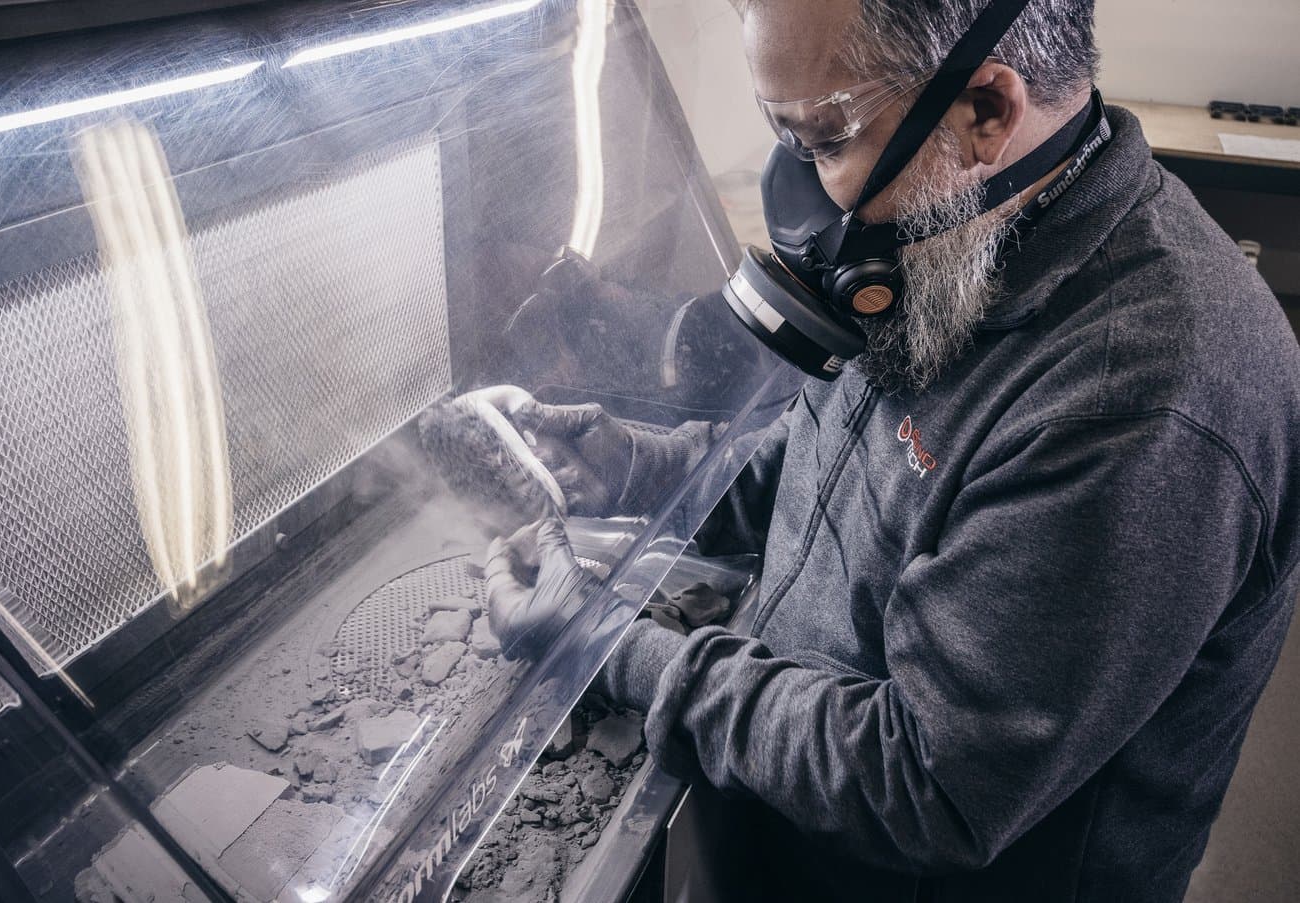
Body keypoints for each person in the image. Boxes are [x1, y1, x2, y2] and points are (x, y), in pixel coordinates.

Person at [484, 0, 1300, 899]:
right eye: (782, 135)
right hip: (804, 822)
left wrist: (605, 643)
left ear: (986, 111)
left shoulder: (1136, 400)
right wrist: (639, 465)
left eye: (824, 137)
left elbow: (928, 784)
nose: (792, 194)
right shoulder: (956, 237)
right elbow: (822, 465)